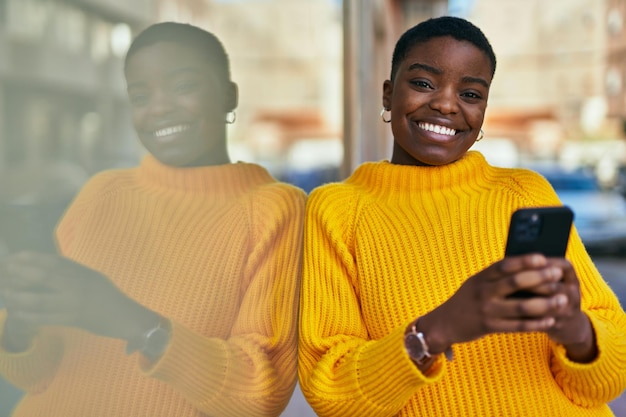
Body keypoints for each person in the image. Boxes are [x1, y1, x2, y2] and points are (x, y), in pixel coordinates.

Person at [298, 16, 626, 417]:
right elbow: (332, 393)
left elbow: (609, 378)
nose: (446, 104)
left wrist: (574, 328)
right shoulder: (338, 210)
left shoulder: (524, 191)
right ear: (387, 95)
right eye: (423, 83)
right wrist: (440, 328)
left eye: (471, 93)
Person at [0, 22, 305, 417]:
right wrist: (21, 321)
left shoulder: (274, 209)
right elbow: (32, 376)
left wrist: (132, 323)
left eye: (183, 87)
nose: (158, 107)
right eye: (140, 95)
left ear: (229, 97)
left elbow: (260, 393)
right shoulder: (103, 192)